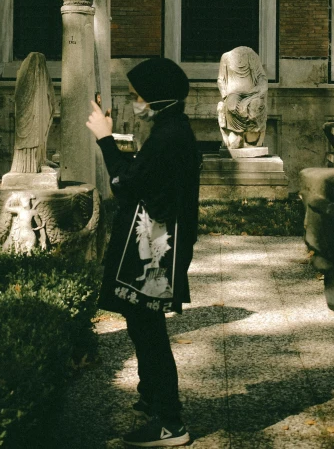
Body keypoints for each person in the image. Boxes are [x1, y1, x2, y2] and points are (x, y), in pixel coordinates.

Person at [86, 57, 201, 448]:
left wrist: (104, 138)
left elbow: (126, 184)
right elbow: (144, 174)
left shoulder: (170, 137)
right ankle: (152, 398)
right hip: (156, 244)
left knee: (148, 330)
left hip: (156, 251)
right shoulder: (172, 129)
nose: (135, 102)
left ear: (156, 99)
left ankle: (170, 422)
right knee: (141, 324)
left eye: (137, 96)